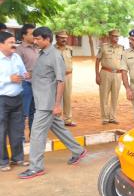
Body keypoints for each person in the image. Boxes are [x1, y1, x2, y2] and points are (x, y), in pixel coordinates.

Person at [19, 27, 86, 179]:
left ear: (47, 39)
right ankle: (78, 150)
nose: (35, 41)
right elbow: (44, 74)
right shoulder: (42, 54)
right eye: (34, 39)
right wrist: (30, 74)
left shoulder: (55, 55)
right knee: (58, 128)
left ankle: (36, 167)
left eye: (38, 39)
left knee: (36, 134)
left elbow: (60, 81)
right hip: (41, 100)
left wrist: (57, 105)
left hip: (47, 103)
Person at [0, 31, 29, 172]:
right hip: (2, 100)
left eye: (14, 42)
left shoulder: (16, 57)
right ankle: (2, 161)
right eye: (10, 42)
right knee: (1, 131)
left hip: (17, 98)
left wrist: (25, 75)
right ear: (1, 45)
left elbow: (23, 73)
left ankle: (17, 158)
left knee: (17, 131)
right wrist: (8, 79)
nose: (14, 45)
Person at [95, 29, 124, 125]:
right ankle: (105, 118)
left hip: (118, 74)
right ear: (110, 37)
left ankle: (113, 117)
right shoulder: (103, 47)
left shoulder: (121, 48)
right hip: (105, 73)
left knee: (115, 96)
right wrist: (97, 75)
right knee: (104, 96)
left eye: (117, 36)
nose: (116, 38)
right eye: (114, 36)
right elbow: (97, 61)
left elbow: (124, 62)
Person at [15, 24, 38, 134]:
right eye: (32, 34)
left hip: (36, 85)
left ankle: (33, 137)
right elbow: (15, 68)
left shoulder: (37, 48)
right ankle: (21, 138)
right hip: (25, 85)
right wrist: (25, 75)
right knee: (23, 112)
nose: (35, 36)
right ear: (24, 36)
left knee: (34, 112)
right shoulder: (19, 50)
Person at [55, 30, 76, 127]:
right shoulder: (52, 49)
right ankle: (57, 121)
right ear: (56, 38)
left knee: (67, 97)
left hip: (68, 76)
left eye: (65, 38)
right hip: (56, 77)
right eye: (61, 37)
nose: (64, 39)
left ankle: (68, 119)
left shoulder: (69, 49)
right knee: (57, 98)